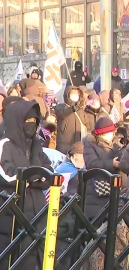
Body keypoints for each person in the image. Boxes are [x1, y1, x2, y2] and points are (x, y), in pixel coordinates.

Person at [0, 100, 53, 269]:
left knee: (37, 256)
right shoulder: (5, 145)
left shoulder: (37, 145)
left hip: (39, 211)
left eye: (34, 122)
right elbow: (8, 175)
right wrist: (34, 177)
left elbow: (49, 174)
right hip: (13, 212)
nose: (32, 125)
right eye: (27, 121)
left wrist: (32, 178)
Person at [83, 117, 121, 220]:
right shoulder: (90, 146)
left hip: (112, 188)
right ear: (102, 134)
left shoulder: (115, 145)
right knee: (96, 222)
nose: (113, 134)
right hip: (96, 190)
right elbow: (92, 163)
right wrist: (111, 163)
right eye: (110, 132)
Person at [55, 86, 90, 154]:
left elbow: (87, 125)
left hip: (78, 144)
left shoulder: (81, 111)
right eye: (72, 93)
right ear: (67, 94)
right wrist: (73, 108)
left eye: (77, 94)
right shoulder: (61, 106)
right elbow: (63, 113)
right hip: (64, 144)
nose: (75, 95)